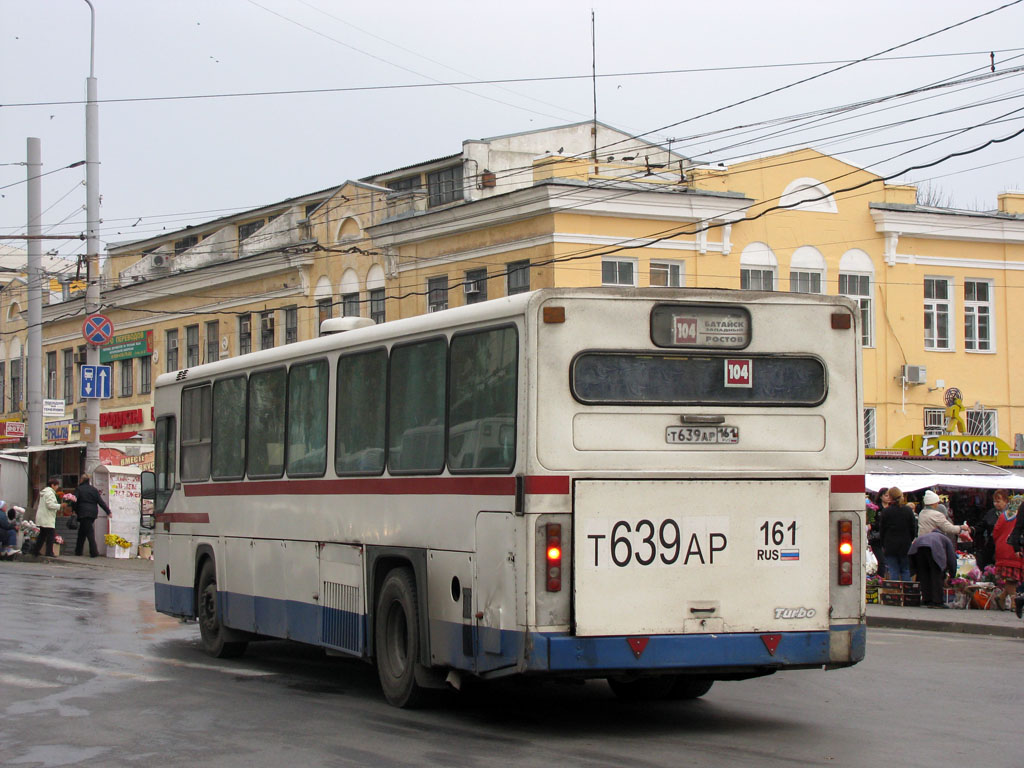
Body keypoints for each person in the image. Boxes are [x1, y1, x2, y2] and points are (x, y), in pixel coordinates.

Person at [992, 494, 1024, 615]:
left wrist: (999, 543)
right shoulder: (1020, 515)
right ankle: (1014, 602)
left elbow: (995, 532)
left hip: (1002, 547)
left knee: (1011, 578)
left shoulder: (1003, 516)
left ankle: (1002, 597)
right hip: (1014, 548)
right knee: (1013, 577)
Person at [909, 529, 957, 608]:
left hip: (918, 550)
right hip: (933, 549)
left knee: (924, 574)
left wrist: (913, 568)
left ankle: (927, 599)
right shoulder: (945, 539)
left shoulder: (925, 536)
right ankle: (937, 601)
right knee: (937, 575)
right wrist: (952, 575)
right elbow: (952, 559)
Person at [878, 486, 916, 582]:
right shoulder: (908, 511)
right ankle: (907, 593)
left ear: (890, 497)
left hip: (890, 545)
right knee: (906, 570)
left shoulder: (886, 512)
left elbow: (882, 530)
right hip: (905, 545)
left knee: (893, 570)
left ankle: (894, 594)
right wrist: (909, 540)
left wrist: (884, 544)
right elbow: (913, 529)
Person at [73, 473, 110, 558]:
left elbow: (74, 500)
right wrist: (108, 511)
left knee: (89, 532)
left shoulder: (79, 489)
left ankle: (94, 552)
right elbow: (100, 502)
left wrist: (74, 510)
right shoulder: (94, 490)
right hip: (93, 513)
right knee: (82, 532)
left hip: (82, 512)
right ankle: (78, 551)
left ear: (82, 480)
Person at [974, 489, 1008, 571]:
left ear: (1006, 501)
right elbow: (982, 525)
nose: (996, 504)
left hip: (1007, 546)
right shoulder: (991, 513)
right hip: (991, 546)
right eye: (994, 502)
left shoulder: (1012, 514)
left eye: (998, 501)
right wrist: (972, 529)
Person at [31, 476, 61, 557]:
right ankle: (49, 552)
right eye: (57, 485)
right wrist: (60, 506)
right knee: (50, 535)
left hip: (43, 517)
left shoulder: (44, 492)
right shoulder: (50, 493)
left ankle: (35, 551)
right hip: (47, 517)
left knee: (42, 535)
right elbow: (50, 505)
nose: (57, 487)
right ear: (52, 485)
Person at [867, 488, 888, 578]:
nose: (888, 498)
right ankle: (880, 579)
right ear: (881, 496)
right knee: (881, 560)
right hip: (877, 538)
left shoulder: (891, 508)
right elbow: (872, 523)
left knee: (887, 561)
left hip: (888, 539)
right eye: (886, 495)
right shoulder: (876, 508)